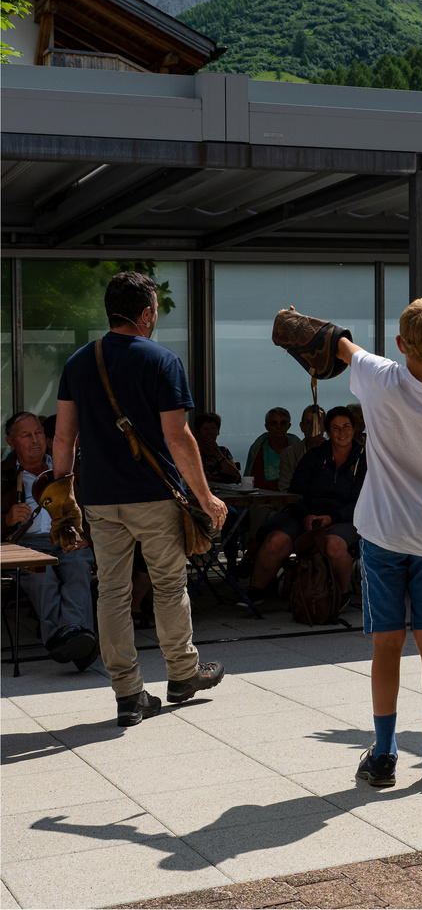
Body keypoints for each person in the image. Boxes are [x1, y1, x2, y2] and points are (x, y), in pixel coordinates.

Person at [54, 271, 227, 727]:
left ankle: (128, 695)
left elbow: (63, 438)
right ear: (146, 313)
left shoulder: (78, 362)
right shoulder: (161, 360)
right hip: (153, 497)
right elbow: (179, 436)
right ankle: (183, 675)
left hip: (98, 498)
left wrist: (61, 497)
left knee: (111, 591)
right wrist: (205, 496)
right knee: (169, 586)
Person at [336, 297, 422, 789]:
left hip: (381, 533)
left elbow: (339, 345)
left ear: (399, 344)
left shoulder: (378, 376)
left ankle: (385, 755)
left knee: (386, 644)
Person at [1, 412, 98, 669]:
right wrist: (7, 520)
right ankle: (78, 641)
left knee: (78, 565)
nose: (36, 440)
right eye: (26, 435)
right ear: (11, 442)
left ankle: (67, 639)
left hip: (67, 537)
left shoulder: (66, 468)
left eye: (39, 433)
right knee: (42, 575)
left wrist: (87, 536)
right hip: (25, 544)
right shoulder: (3, 475)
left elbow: (95, 509)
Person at [249, 406, 365, 601]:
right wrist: (305, 515)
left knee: (334, 545)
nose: (342, 432)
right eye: (335, 428)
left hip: (346, 517)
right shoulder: (314, 456)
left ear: (354, 429)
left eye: (346, 426)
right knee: (276, 540)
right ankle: (257, 592)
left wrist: (332, 517)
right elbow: (296, 492)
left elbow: (364, 501)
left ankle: (340, 595)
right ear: (328, 432)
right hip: (307, 514)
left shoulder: (366, 460)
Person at [243, 407, 300, 490]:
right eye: (274, 423)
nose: (279, 427)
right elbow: (254, 483)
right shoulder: (259, 448)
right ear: (267, 426)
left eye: (283, 423)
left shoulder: (296, 448)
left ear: (289, 426)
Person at [277, 404, 325, 492]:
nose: (313, 427)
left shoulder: (336, 452)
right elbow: (285, 489)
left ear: (325, 426)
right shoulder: (289, 454)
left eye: (317, 422)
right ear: (301, 427)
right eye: (308, 422)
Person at [194, 412, 241, 484]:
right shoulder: (192, 452)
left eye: (213, 428)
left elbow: (235, 475)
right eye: (205, 428)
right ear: (197, 432)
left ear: (218, 431)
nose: (209, 432)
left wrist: (217, 453)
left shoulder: (223, 451)